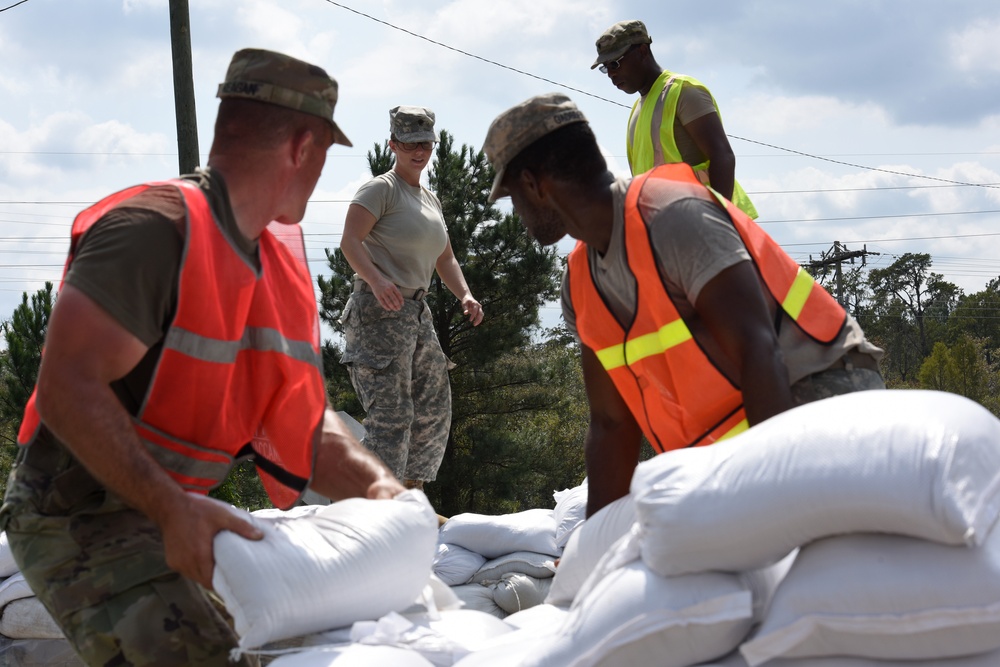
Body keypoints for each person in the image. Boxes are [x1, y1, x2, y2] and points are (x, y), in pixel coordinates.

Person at [0, 49, 407, 666]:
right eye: (326, 151)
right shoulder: (151, 230)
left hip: (170, 511)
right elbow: (68, 386)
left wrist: (382, 491)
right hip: (80, 512)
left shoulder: (276, 267)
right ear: (302, 146)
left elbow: (304, 424)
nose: (324, 170)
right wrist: (170, 508)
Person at [481, 93, 884, 517]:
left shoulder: (673, 217)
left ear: (533, 184)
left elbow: (758, 352)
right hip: (736, 435)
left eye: (512, 197)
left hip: (819, 389)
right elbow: (611, 423)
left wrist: (770, 507)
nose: (518, 215)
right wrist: (593, 550)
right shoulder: (579, 282)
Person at [339, 106, 483, 490]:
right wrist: (375, 279)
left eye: (425, 143)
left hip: (416, 314)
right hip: (379, 312)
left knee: (433, 409)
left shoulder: (429, 200)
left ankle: (409, 500)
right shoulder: (381, 189)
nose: (418, 151)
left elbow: (444, 256)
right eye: (408, 144)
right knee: (392, 414)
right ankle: (375, 507)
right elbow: (350, 241)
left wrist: (466, 295)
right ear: (393, 145)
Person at [591, 19, 758, 219]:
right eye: (605, 67)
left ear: (643, 51)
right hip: (668, 232)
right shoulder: (637, 109)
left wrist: (717, 224)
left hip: (704, 227)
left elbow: (723, 157)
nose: (611, 73)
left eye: (616, 63)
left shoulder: (684, 91)